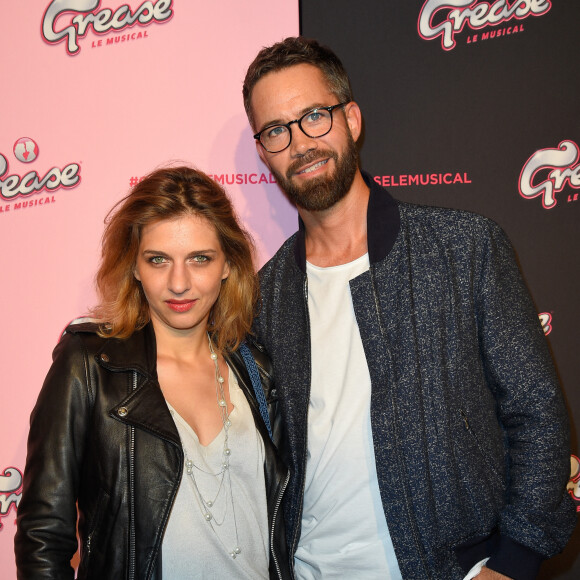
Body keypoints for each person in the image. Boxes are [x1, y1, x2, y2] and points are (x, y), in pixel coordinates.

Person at [242, 37, 576, 580]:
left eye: (314, 117)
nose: (299, 143)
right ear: (263, 151)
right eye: (277, 130)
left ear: (351, 119)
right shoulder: (263, 298)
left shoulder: (465, 249)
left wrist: (514, 562)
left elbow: (537, 415)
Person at [14, 166, 291, 580]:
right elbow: (43, 535)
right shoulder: (89, 364)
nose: (179, 283)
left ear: (228, 265)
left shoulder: (256, 369)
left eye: (200, 258)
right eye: (158, 259)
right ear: (135, 267)